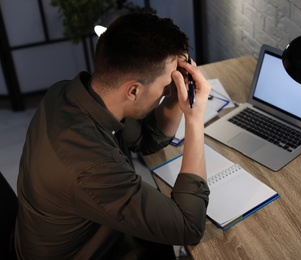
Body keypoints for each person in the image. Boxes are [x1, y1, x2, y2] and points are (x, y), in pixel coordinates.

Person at [14, 12, 211, 259]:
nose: (169, 89)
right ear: (133, 90)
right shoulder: (92, 167)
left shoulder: (68, 93)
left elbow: (145, 140)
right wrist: (194, 118)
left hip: (89, 231)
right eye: (165, 86)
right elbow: (188, 227)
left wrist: (174, 96)